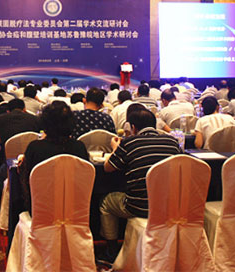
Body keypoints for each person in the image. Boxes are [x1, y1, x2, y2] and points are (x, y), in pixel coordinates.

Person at [99, 107, 181, 263]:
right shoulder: (172, 142)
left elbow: (108, 168)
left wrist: (115, 148)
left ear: (133, 127)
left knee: (105, 202)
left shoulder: (130, 143)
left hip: (139, 207)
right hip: (170, 206)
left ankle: (111, 251)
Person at [18, 101, 89, 213]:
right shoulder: (79, 147)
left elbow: (26, 180)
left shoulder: (35, 147)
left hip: (40, 210)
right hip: (75, 209)